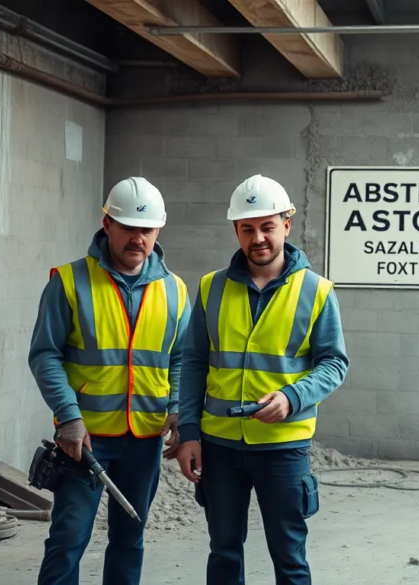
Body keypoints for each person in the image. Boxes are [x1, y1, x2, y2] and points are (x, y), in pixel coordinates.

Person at [174, 174, 349, 584]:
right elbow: (193, 361)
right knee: (223, 553)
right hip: (218, 446)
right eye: (248, 228)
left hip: (283, 447)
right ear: (236, 230)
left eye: (268, 226)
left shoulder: (317, 291)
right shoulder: (211, 287)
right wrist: (188, 433)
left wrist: (292, 397)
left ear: (287, 224)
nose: (259, 238)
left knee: (289, 556)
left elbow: (334, 364)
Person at [28, 176, 191, 585]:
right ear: (107, 224)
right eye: (128, 227)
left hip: (144, 437)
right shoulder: (68, 281)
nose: (138, 237)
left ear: (158, 230)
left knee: (129, 537)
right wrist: (68, 417)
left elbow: (181, 359)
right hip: (84, 438)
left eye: (147, 229)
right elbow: (44, 355)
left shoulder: (175, 291)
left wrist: (175, 408)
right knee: (68, 537)